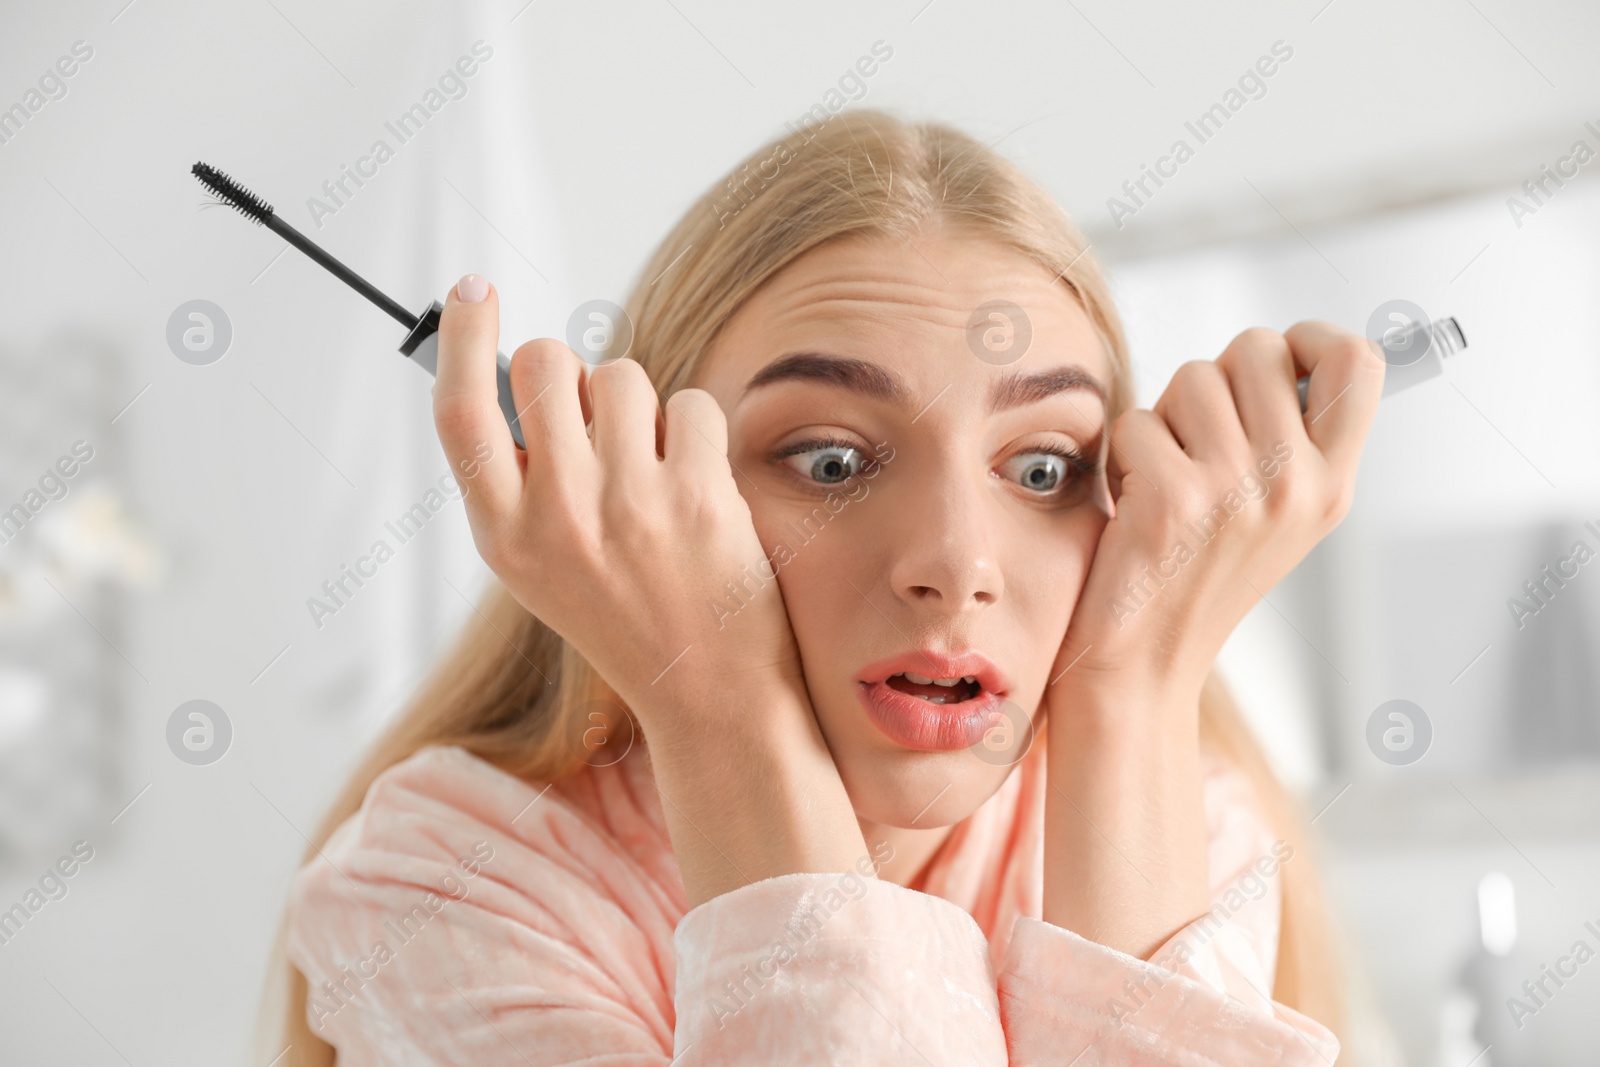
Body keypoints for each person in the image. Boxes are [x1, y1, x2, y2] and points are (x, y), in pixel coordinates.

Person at [264, 109, 1381, 1065]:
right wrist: (718, 701)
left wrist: (1136, 687)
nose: (954, 562)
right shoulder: (439, 892)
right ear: (644, 485)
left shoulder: (1181, 814)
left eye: (1042, 469)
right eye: (832, 462)